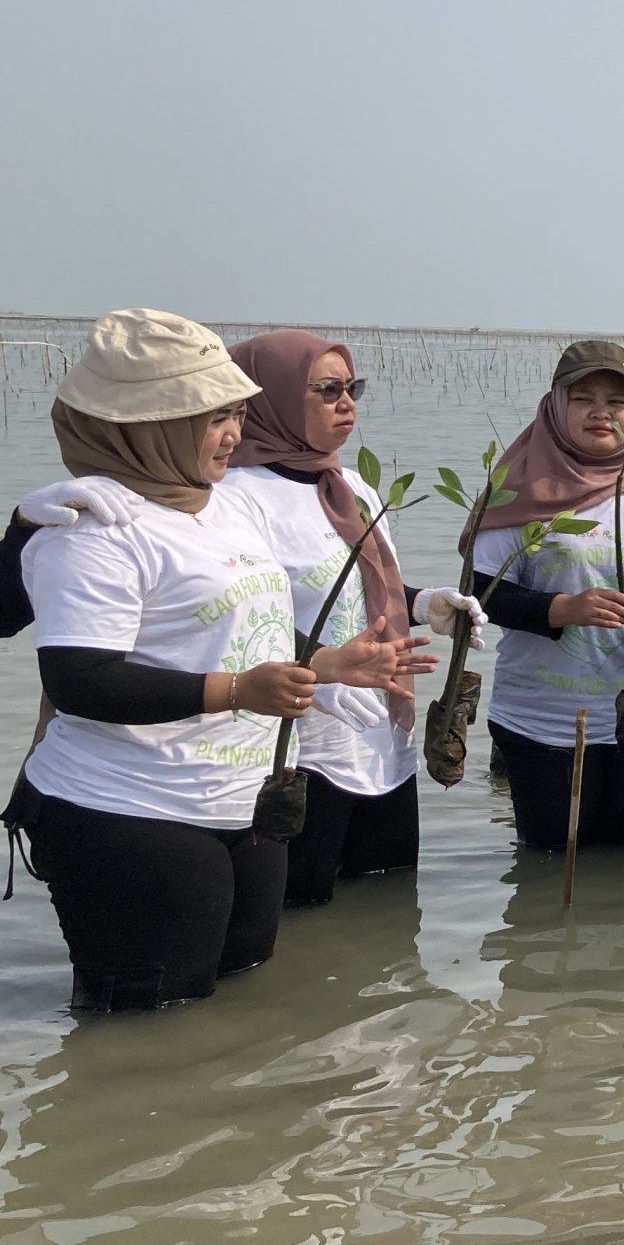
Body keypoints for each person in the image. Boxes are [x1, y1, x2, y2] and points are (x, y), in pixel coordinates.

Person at [7, 310, 428, 1009]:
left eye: (237, 413)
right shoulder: (92, 526)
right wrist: (236, 690)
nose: (233, 434)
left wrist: (326, 663)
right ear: (148, 423)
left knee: (238, 1008)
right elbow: (79, 680)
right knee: (142, 1025)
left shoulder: (219, 506)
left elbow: (247, 632)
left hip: (242, 802)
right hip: (132, 812)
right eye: (211, 418)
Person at [221, 330, 484, 907]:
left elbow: (366, 585)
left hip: (382, 738)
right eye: (327, 390)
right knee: (302, 915)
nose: (348, 404)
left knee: (385, 912)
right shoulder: (237, 496)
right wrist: (325, 667)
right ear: (273, 398)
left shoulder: (352, 486)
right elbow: (237, 620)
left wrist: (423, 604)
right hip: (305, 746)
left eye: (353, 387)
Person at [471, 340, 624, 851]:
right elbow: (481, 591)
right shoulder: (515, 487)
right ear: (556, 405)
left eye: (616, 401)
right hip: (543, 721)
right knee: (551, 867)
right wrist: (564, 609)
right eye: (583, 399)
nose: (601, 412)